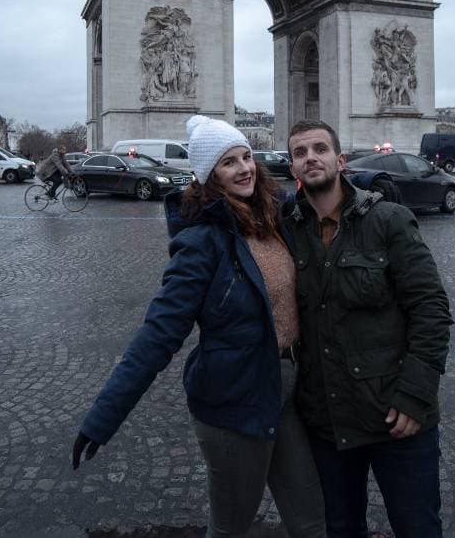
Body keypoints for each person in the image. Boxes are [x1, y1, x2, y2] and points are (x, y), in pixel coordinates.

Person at [72, 115, 326, 538]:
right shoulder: (199, 242)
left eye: (246, 157)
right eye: (229, 163)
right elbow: (159, 333)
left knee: (313, 521)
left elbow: (328, 197)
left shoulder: (276, 216)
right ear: (209, 176)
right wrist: (103, 416)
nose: (244, 168)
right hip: (233, 402)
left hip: (285, 395)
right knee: (230, 529)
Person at [284, 119, 453, 538]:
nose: (311, 159)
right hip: (327, 419)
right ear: (292, 170)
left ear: (340, 160)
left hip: (397, 416)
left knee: (418, 528)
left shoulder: (390, 220)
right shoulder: (287, 229)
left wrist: (415, 394)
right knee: (340, 529)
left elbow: (431, 309)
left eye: (320, 149)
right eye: (300, 153)